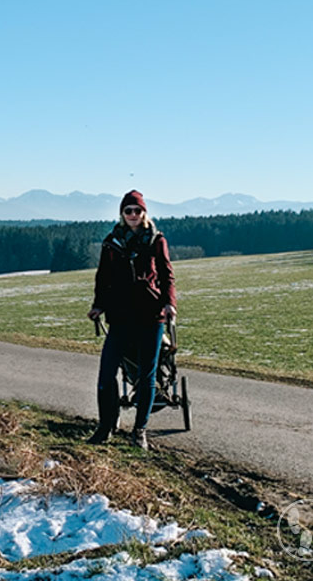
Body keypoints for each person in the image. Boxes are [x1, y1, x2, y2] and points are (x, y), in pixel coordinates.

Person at [86, 190, 177, 450]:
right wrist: (98, 306)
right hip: (121, 317)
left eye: (137, 211)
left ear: (144, 213)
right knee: (106, 374)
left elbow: (168, 276)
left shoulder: (156, 241)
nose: (133, 215)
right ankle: (106, 427)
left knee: (147, 377)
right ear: (122, 214)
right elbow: (102, 278)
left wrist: (170, 303)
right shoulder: (111, 242)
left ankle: (140, 432)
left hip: (151, 316)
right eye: (129, 211)